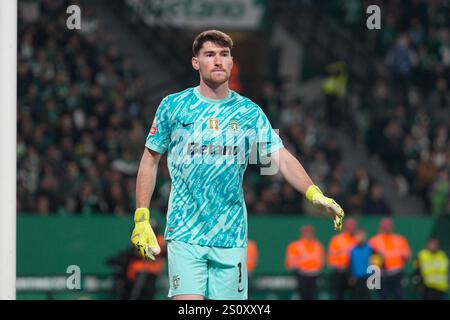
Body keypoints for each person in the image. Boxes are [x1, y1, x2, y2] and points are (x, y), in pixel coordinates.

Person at [129, 30, 345, 300]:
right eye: (209, 55)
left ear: (232, 63)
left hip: (231, 236)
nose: (218, 61)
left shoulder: (249, 112)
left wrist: (315, 194)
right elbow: (150, 160)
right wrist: (141, 218)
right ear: (196, 62)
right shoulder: (173, 106)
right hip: (184, 232)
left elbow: (280, 157)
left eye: (224, 55)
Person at [369, 218, 411, 300]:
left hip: (397, 273)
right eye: (385, 226)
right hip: (382, 274)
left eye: (388, 226)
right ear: (381, 227)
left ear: (392, 227)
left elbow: (407, 256)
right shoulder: (374, 240)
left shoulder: (400, 239)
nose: (387, 228)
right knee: (383, 296)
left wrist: (404, 256)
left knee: (399, 296)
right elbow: (371, 259)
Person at [285, 225, 325, 300]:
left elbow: (321, 259)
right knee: (303, 295)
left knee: (312, 295)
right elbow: (290, 260)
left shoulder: (318, 245)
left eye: (310, 232)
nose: (308, 234)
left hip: (315, 274)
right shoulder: (295, 245)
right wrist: (298, 269)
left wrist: (318, 268)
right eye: (306, 232)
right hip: (301, 274)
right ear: (302, 233)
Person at [327, 218, 358, 299]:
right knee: (339, 295)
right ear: (345, 227)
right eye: (349, 226)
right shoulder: (337, 239)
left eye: (353, 226)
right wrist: (340, 266)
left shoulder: (358, 239)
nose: (351, 228)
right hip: (340, 272)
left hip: (355, 273)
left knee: (356, 295)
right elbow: (332, 257)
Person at [348, 229, 373, 300]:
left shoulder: (370, 248)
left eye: (361, 235)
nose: (359, 238)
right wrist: (351, 276)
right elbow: (350, 264)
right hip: (356, 279)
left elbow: (375, 264)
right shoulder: (352, 250)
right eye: (357, 236)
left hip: (368, 278)